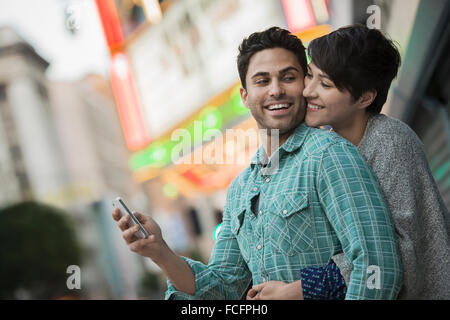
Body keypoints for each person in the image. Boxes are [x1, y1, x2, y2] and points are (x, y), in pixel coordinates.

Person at [112, 26, 403, 300]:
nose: (275, 90)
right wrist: (160, 251)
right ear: (245, 96)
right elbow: (220, 287)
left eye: (288, 77)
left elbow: (377, 265)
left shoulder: (330, 155)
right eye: (262, 81)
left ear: (305, 83)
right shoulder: (240, 188)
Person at [249, 25, 450, 300]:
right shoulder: (329, 144)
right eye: (310, 76)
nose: (307, 91)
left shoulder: (389, 141)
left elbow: (398, 250)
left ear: (365, 97)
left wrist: (299, 289)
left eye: (325, 84)